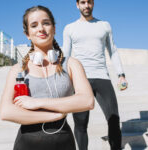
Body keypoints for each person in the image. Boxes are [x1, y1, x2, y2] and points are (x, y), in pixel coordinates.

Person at [0, 5, 94, 150]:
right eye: (34, 25)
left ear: (54, 29)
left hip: (64, 142)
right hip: (26, 144)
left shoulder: (71, 64)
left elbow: (87, 100)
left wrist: (37, 103)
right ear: (27, 34)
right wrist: (53, 116)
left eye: (46, 23)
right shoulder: (18, 69)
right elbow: (6, 111)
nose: (41, 29)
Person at [63, 0, 128, 150]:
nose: (87, 6)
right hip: (80, 80)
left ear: (93, 4)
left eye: (90, 2)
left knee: (113, 119)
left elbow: (113, 51)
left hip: (102, 77)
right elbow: (66, 55)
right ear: (77, 4)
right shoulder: (70, 28)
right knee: (81, 123)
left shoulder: (104, 25)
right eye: (83, 2)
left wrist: (121, 74)